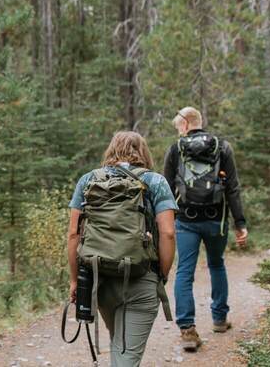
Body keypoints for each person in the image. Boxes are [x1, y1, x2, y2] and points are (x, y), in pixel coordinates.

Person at [68, 131, 177, 367]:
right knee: (126, 356)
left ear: (111, 150)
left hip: (100, 279)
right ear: (143, 152)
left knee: (120, 346)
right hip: (141, 279)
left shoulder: (88, 180)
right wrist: (162, 275)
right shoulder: (156, 181)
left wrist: (75, 280)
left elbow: (74, 234)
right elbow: (168, 233)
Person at [164, 106, 247, 352]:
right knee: (216, 264)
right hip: (216, 219)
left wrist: (161, 223)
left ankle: (187, 330)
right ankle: (220, 319)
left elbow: (166, 188)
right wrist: (240, 223)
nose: (179, 131)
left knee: (185, 271)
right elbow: (232, 188)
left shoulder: (176, 149)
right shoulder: (223, 147)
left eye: (178, 126)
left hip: (186, 220)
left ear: (186, 123)